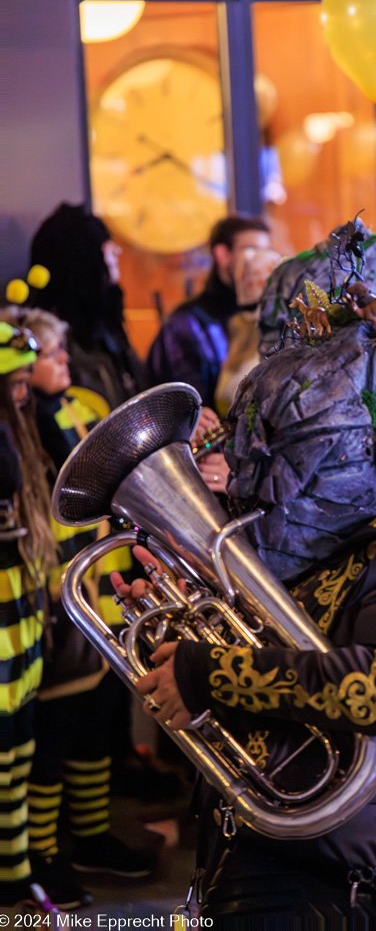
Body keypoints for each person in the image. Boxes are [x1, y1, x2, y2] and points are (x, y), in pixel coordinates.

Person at [112, 284, 376, 924]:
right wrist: (171, 633)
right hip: (280, 855)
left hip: (374, 881)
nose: (252, 479)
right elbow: (262, 688)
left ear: (352, 456)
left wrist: (207, 673)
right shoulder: (298, 551)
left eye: (285, 456)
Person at [7, 308, 151, 908]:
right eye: (51, 356)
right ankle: (44, 852)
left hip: (91, 596)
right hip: (46, 604)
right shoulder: (24, 426)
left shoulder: (63, 410)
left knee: (93, 722)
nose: (64, 363)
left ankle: (90, 835)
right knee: (51, 738)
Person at [0, 322, 56, 907]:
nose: (23, 395)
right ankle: (13, 883)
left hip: (16, 602)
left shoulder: (15, 427)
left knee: (18, 754)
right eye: (13, 383)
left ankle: (16, 876)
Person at [147, 214, 277, 410]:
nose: (262, 260)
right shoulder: (187, 323)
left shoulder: (267, 316)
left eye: (266, 251)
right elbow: (183, 404)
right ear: (223, 255)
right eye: (252, 250)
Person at [30, 203, 147, 409]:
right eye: (106, 246)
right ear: (85, 260)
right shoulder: (56, 347)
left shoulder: (108, 331)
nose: (117, 252)